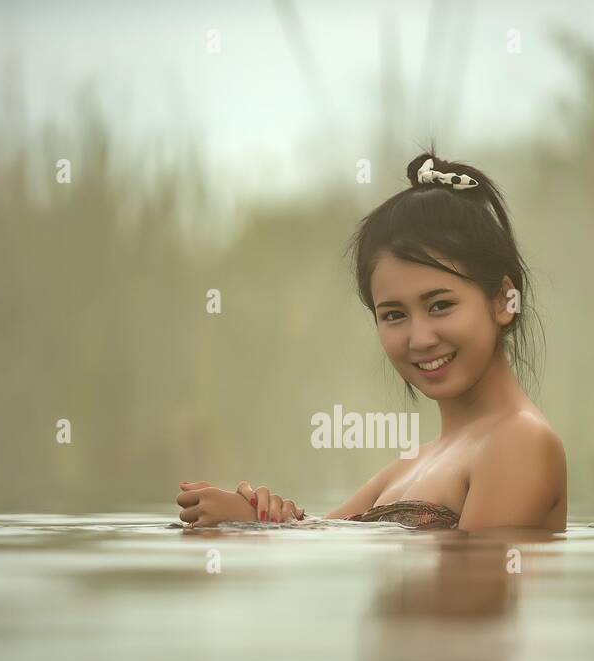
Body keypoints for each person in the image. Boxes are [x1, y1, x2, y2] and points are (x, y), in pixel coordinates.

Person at [177, 146, 567, 532]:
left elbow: (468, 585)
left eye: (440, 306)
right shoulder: (411, 465)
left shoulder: (520, 443)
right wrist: (256, 519)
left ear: (502, 300)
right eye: (394, 315)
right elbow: (320, 545)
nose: (420, 338)